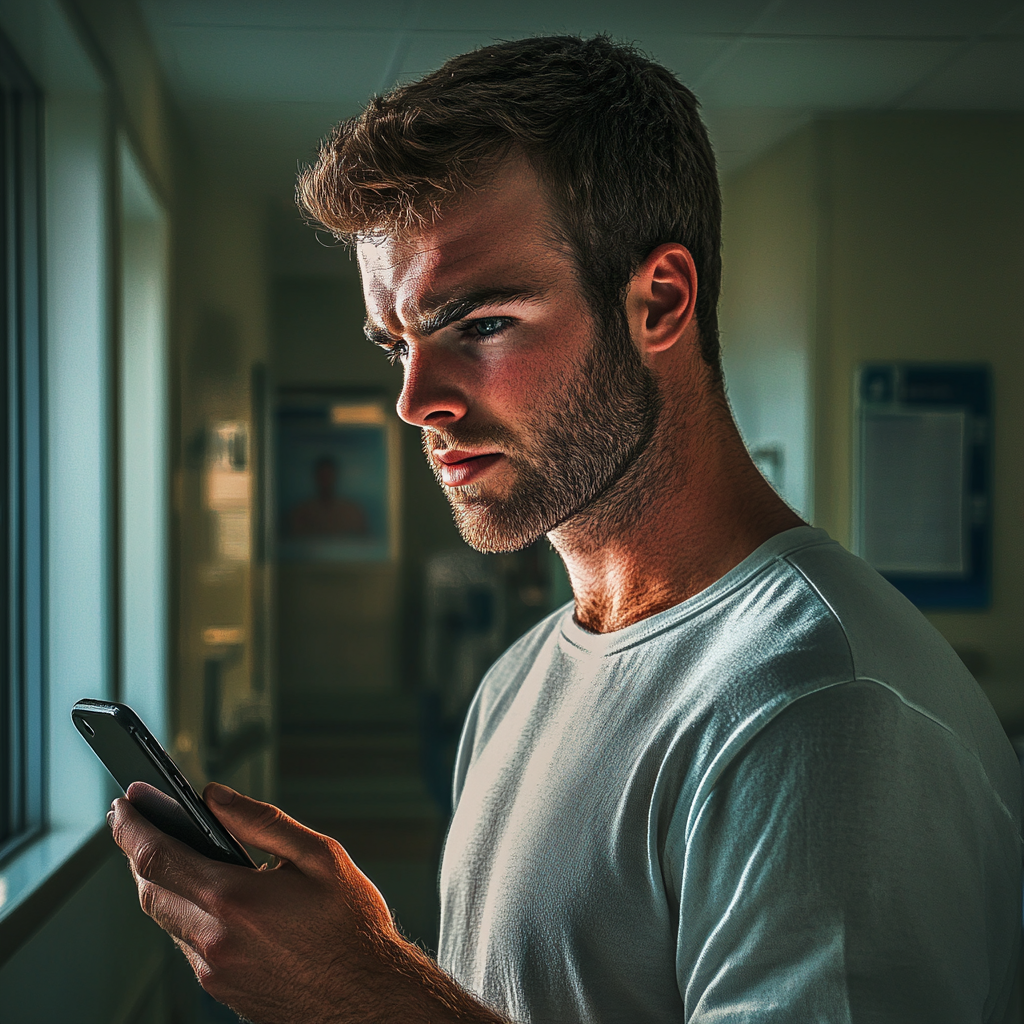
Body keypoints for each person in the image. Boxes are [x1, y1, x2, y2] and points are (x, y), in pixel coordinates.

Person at [110, 35, 1021, 1024]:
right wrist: (369, 968)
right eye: (398, 342)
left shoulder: (822, 711)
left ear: (657, 302)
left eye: (481, 323)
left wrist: (363, 996)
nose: (416, 400)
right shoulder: (523, 675)